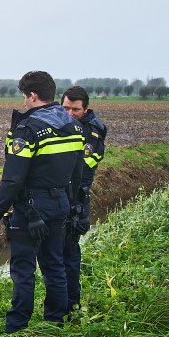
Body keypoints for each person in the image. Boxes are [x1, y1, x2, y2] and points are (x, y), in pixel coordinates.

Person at [0, 71, 84, 332]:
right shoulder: (73, 126)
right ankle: (55, 323)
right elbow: (78, 173)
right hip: (61, 202)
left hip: (31, 208)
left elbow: (13, 179)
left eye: (24, 96)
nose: (24, 102)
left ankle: (16, 329)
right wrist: (73, 205)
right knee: (54, 265)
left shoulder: (27, 129)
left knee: (23, 269)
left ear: (32, 95)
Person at [60, 85, 107, 310]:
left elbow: (83, 168)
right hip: (58, 195)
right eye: (66, 108)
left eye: (75, 110)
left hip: (76, 198)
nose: (70, 114)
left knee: (69, 252)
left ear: (85, 109)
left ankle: (71, 305)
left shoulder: (93, 131)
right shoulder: (59, 123)